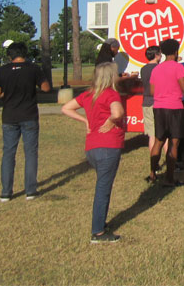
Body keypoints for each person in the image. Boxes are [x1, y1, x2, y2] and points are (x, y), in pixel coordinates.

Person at [61, 63, 125, 243]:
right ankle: (98, 232)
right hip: (108, 147)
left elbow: (66, 108)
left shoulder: (89, 94)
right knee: (103, 189)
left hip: (92, 148)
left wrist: (85, 120)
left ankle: (100, 225)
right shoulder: (111, 94)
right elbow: (118, 112)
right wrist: (112, 120)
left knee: (102, 186)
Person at [0, 42, 50, 202]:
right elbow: (46, 88)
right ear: (24, 54)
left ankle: (6, 192)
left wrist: (6, 93)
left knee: (8, 153)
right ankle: (30, 190)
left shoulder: (2, 70)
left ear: (10, 55)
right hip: (29, 115)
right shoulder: (33, 69)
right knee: (30, 153)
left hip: (9, 116)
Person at [149, 39, 184, 186]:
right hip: (175, 108)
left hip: (159, 108)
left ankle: (152, 173)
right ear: (175, 51)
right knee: (174, 143)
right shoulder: (178, 68)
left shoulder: (156, 69)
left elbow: (152, 90)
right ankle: (169, 178)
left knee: (158, 141)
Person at [140, 45, 162, 154]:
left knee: (152, 135)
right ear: (157, 55)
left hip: (147, 101)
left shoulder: (143, 69)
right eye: (160, 54)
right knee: (164, 134)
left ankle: (154, 161)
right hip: (159, 101)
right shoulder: (159, 68)